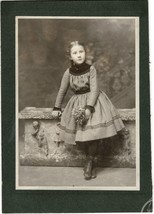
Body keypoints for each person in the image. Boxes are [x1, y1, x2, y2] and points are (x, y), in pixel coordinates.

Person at [52, 41, 125, 180]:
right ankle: (88, 158)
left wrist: (89, 108)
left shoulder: (91, 69)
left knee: (93, 134)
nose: (79, 55)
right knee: (80, 136)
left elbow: (95, 89)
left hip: (94, 102)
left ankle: (90, 162)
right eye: (75, 53)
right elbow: (62, 90)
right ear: (70, 57)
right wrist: (56, 107)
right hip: (77, 103)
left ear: (85, 53)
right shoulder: (68, 73)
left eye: (81, 52)